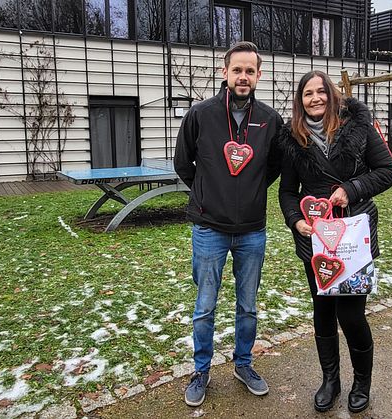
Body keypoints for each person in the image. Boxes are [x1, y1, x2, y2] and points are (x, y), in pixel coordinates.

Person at [277, 71, 392, 413]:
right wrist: (295, 220)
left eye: (321, 92)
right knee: (322, 312)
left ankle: (362, 382)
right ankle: (330, 380)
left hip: (353, 237)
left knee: (352, 315)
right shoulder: (293, 139)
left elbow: (388, 171)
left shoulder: (358, 127)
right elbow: (287, 191)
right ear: (300, 102)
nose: (315, 98)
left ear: (331, 95)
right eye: (307, 94)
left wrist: (352, 189)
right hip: (315, 240)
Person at [173, 41, 284, 407]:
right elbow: (183, 163)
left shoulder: (270, 120)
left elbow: (274, 167)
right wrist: (209, 193)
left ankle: (243, 364)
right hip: (209, 229)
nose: (243, 77)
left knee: (248, 305)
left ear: (259, 75)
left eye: (250, 71)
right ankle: (201, 370)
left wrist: (249, 192)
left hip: (252, 230)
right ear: (224, 72)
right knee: (205, 306)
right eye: (237, 70)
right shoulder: (201, 115)